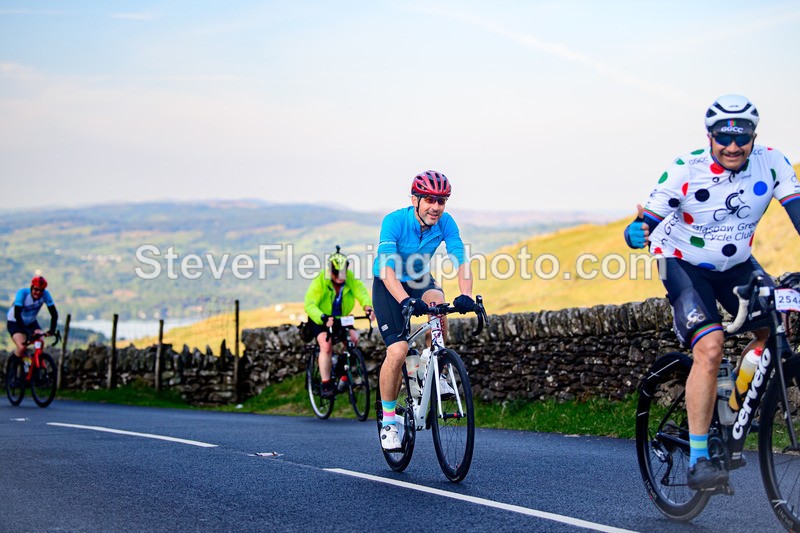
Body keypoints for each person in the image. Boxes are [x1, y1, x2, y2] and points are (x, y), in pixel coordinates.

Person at [624, 94, 800, 490]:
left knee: (774, 327)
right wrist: (635, 233)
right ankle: (699, 460)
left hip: (735, 262)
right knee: (710, 345)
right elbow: (644, 222)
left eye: (742, 137)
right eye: (724, 137)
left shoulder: (773, 163)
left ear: (754, 137)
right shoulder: (686, 169)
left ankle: (732, 403)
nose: (733, 146)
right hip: (681, 261)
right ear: (710, 136)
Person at [372, 170, 478, 451]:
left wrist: (466, 295)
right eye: (430, 199)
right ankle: (389, 422)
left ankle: (435, 369)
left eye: (441, 201)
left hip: (420, 279)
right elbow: (387, 269)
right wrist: (404, 300)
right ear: (415, 200)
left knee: (438, 306)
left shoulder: (446, 222)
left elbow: (460, 258)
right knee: (397, 351)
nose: (436, 207)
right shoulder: (394, 221)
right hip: (389, 283)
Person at [304, 247, 374, 399]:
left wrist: (367, 307)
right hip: (320, 318)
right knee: (326, 345)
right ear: (330, 271)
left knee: (353, 339)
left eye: (343, 272)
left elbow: (360, 291)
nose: (341, 277)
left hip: (341, 318)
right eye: (337, 273)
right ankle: (326, 384)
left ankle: (342, 371)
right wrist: (323, 317)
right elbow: (309, 304)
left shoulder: (349, 277)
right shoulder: (321, 280)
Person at [7, 276, 59, 362]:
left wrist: (52, 330)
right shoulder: (22, 293)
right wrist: (27, 331)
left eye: (41, 290)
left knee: (40, 341)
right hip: (15, 322)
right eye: (36, 289)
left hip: (31, 322)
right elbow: (17, 315)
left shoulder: (46, 294)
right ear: (31, 287)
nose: (38, 292)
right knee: (22, 347)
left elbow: (54, 314)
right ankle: (12, 368)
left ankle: (36, 366)